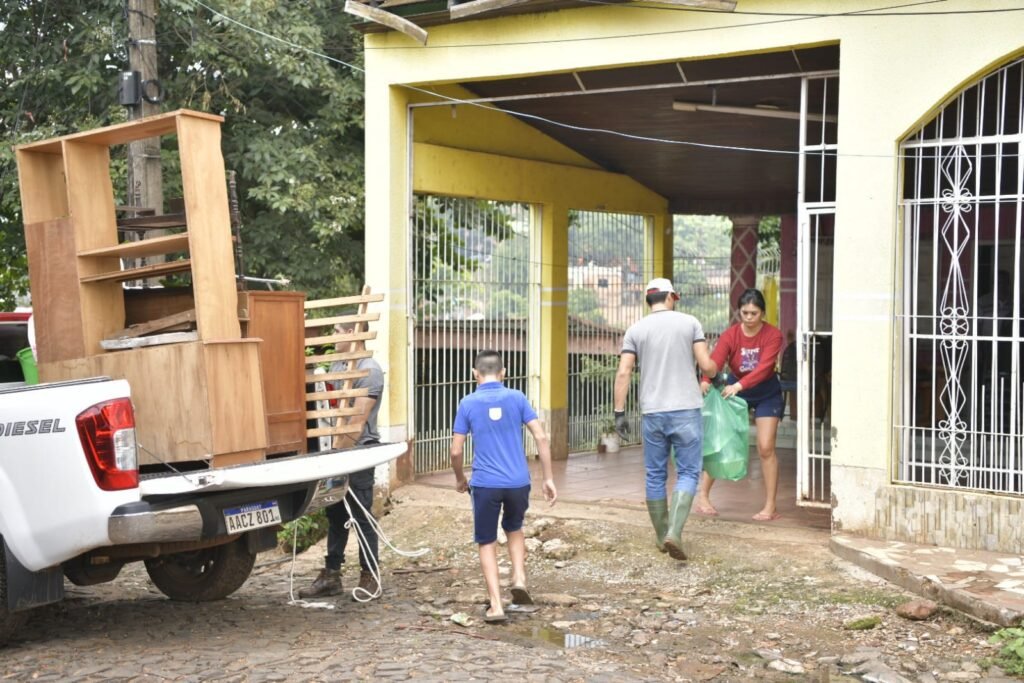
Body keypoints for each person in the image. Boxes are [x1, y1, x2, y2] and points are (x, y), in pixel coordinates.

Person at [613, 278, 718, 562]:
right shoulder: (690, 323)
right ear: (672, 296)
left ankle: (662, 537)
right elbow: (705, 364)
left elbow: (624, 372)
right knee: (687, 472)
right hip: (686, 409)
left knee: (655, 474)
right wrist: (716, 369)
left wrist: (619, 413)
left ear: (650, 299)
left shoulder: (636, 330)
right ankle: (674, 530)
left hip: (653, 413)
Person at [450, 350, 557, 624]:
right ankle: (519, 577)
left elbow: (455, 451)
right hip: (518, 481)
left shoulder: (467, 403)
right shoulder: (517, 398)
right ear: (503, 372)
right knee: (514, 526)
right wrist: (548, 478)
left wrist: (460, 478)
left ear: (475, 374)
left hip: (486, 484)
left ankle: (496, 605)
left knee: (486, 539)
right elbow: (541, 436)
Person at [300, 321, 385, 600]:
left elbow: (357, 421)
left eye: (336, 331)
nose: (333, 337)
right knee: (335, 513)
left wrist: (338, 454)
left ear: (351, 333)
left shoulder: (369, 371)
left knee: (361, 515)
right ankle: (332, 575)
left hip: (359, 452)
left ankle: (369, 574)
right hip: (334, 453)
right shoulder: (338, 367)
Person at [695, 288, 785, 522]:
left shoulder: (773, 335)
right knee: (721, 439)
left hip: (765, 391)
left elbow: (765, 367)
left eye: (754, 313)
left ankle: (770, 506)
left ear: (763, 313)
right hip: (735, 389)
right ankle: (703, 496)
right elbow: (715, 361)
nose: (749, 317)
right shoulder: (731, 335)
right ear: (739, 312)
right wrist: (706, 380)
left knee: (766, 447)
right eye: (744, 312)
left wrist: (739, 386)